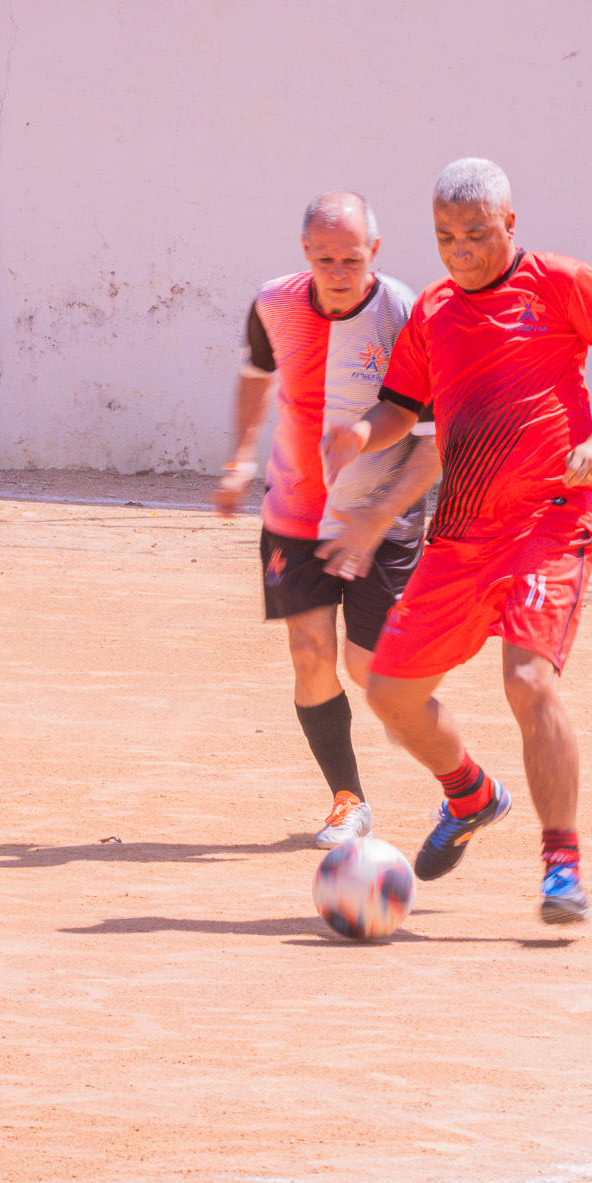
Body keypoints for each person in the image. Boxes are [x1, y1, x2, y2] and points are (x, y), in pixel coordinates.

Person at [322, 158, 592, 924]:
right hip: (460, 534)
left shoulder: (561, 283)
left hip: (549, 521)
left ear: (510, 223)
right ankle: (470, 793)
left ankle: (561, 868)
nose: (462, 251)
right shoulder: (433, 313)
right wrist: (358, 434)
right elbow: (401, 407)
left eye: (477, 234)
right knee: (389, 693)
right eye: (446, 237)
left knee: (528, 681)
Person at [215, 192, 440, 848]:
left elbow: (435, 442)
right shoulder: (273, 303)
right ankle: (348, 800)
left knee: (374, 674)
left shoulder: (406, 316)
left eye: (351, 258)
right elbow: (256, 375)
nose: (338, 272)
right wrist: (239, 458)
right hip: (293, 510)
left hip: (380, 517)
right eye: (324, 259)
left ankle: (465, 785)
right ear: (305, 252)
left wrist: (377, 515)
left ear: (375, 250)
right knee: (309, 651)